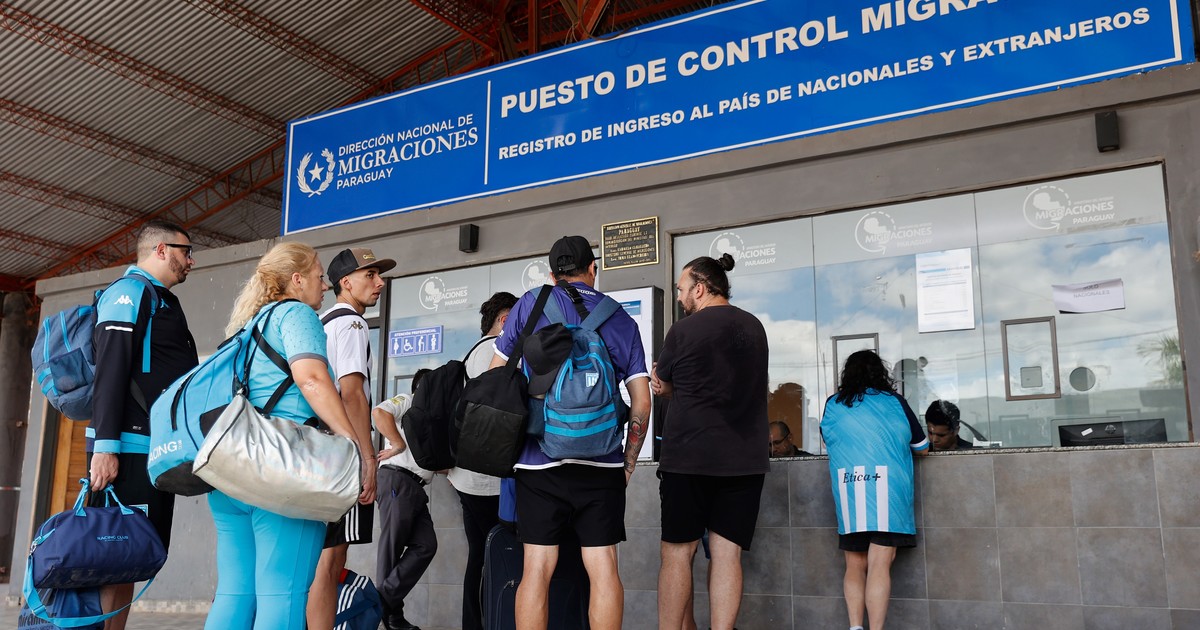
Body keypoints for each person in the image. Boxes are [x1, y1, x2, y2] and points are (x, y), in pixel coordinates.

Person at [206, 242, 372, 629]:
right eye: (319, 276)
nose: (324, 285)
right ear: (297, 279)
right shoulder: (295, 314)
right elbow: (311, 380)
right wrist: (355, 448)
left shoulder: (247, 326)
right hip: (282, 474)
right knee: (282, 594)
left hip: (231, 473)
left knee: (235, 594)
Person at [489, 235, 651, 630]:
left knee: (536, 568)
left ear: (552, 274)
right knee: (603, 567)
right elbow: (642, 402)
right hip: (602, 464)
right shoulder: (621, 319)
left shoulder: (529, 304)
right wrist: (627, 465)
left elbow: (496, 378)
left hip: (538, 462)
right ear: (593, 269)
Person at [87, 220, 199, 630]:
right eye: (185, 251)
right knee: (114, 559)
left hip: (152, 449)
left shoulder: (161, 299)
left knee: (131, 558)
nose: (191, 260)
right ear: (160, 250)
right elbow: (110, 373)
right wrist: (106, 447)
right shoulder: (129, 293)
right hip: (127, 449)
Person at [651, 253, 769, 630]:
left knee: (677, 553)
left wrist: (664, 387)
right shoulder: (755, 327)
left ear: (700, 289)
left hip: (689, 457)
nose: (680, 297)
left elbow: (664, 382)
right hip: (745, 459)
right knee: (727, 554)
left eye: (682, 289)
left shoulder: (683, 331)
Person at [309, 247, 394, 630]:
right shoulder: (352, 324)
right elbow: (353, 394)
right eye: (370, 275)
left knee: (315, 558)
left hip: (316, 451)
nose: (379, 283)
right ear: (346, 282)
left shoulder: (322, 322)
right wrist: (367, 458)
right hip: (342, 457)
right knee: (330, 561)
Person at [820, 350, 930, 630]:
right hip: (888, 492)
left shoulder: (833, 404)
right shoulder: (894, 402)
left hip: (850, 490)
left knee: (854, 564)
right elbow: (922, 447)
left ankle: (855, 627)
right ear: (881, 373)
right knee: (880, 564)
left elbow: (829, 439)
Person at [450, 291, 517, 630]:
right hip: (486, 480)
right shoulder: (494, 352)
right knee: (496, 553)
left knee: (479, 553)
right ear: (505, 320)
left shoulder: (471, 354)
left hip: (465, 476)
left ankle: (474, 624)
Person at [372, 369, 437, 630]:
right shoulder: (408, 401)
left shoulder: (433, 418)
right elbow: (379, 413)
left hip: (416, 488)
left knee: (426, 545)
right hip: (397, 479)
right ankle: (391, 618)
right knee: (391, 548)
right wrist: (397, 444)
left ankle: (380, 602)